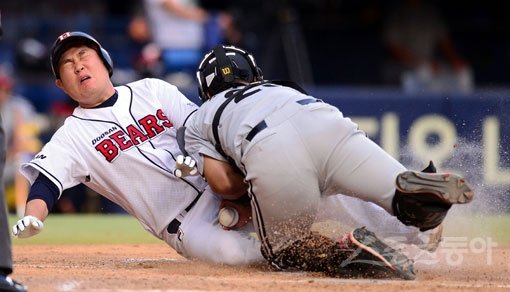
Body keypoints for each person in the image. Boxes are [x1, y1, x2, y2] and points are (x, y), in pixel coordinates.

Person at [176, 45, 475, 279]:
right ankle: (419, 206)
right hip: (327, 123)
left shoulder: (200, 118)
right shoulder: (281, 87)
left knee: (285, 252)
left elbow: (223, 184)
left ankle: (351, 251)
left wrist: (251, 194)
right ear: (255, 75)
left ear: (206, 91)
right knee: (394, 196)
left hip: (269, 148)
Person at [10, 31, 264, 267]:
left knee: (290, 209)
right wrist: (34, 216)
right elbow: (45, 183)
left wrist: (198, 157)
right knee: (238, 256)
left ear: (105, 62)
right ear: (61, 85)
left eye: (84, 55)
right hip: (186, 223)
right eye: (67, 63)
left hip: (221, 186)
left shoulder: (152, 90)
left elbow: (201, 130)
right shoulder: (71, 137)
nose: (78, 65)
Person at [382, 0, 473, 94]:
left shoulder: (430, 11)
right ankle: (419, 104)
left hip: (430, 62)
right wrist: (421, 62)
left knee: (463, 71)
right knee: (424, 72)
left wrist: (454, 60)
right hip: (403, 65)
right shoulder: (398, 13)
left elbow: (443, 39)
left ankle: (465, 104)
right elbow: (392, 46)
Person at [0, 10, 28, 292]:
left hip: (10, 162)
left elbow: (20, 140)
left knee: (22, 161)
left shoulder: (16, 107)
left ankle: (22, 211)